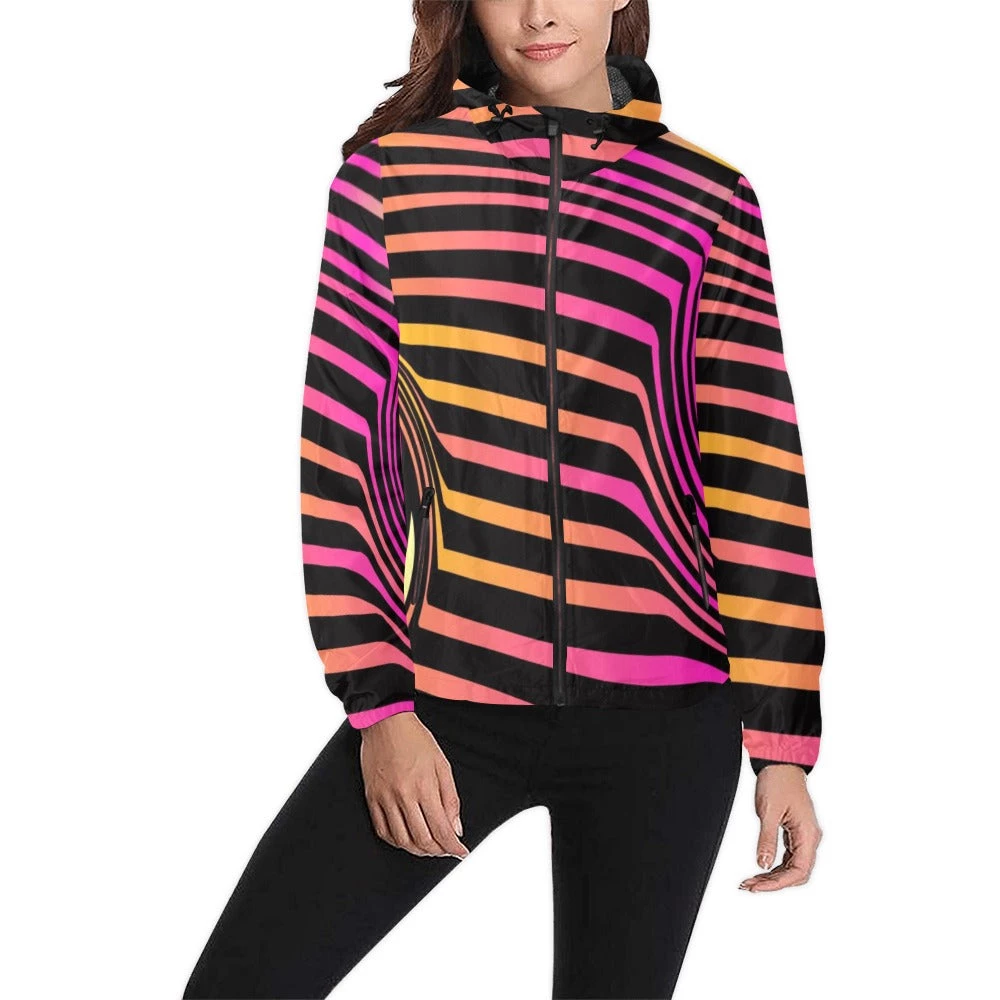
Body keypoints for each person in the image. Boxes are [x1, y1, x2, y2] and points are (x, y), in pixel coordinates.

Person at [182, 1, 825, 997]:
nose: (536, 12)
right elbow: (345, 457)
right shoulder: (390, 182)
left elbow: (753, 469)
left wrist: (781, 744)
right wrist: (380, 706)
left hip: (665, 716)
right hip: (448, 699)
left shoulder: (708, 198)